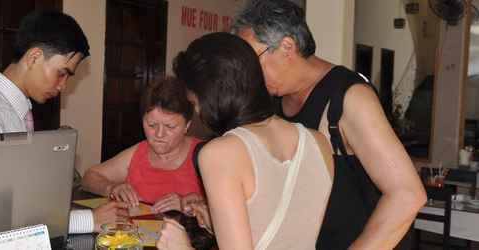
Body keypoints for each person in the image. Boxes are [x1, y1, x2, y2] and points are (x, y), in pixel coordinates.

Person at [231, 1, 426, 248]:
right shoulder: (273, 103)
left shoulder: (349, 97)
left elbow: (408, 195)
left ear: (287, 47)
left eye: (253, 61)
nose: (249, 75)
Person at [0, 10, 126, 234]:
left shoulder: (12, 111)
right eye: (62, 73)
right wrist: (88, 220)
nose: (62, 86)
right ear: (34, 57)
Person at [159, 32, 335, 249]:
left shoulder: (220, 153)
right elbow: (289, 228)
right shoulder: (319, 141)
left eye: (195, 104)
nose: (198, 113)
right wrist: (220, 226)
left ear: (211, 97)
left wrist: (181, 247)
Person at [81, 78, 205, 213]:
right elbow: (90, 177)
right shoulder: (138, 153)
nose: (159, 134)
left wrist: (193, 205)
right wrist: (111, 188)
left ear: (187, 125)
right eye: (151, 125)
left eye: (170, 126)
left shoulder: (205, 155)